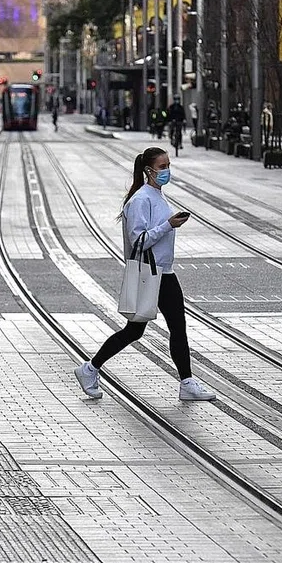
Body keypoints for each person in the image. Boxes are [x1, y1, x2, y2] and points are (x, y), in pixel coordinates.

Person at [74, 147, 216, 402]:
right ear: (148, 170)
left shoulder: (156, 195)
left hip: (163, 272)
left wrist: (168, 224)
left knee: (174, 328)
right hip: (151, 273)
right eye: (162, 167)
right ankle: (90, 368)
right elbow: (138, 241)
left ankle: (186, 382)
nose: (167, 171)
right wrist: (168, 225)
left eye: (168, 165)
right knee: (136, 331)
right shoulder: (141, 200)